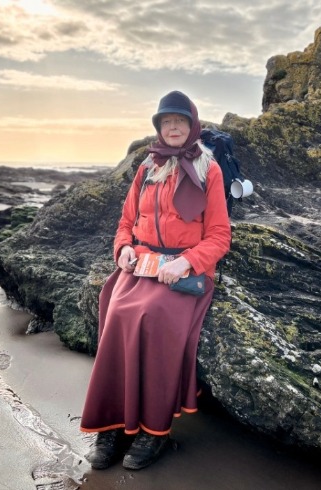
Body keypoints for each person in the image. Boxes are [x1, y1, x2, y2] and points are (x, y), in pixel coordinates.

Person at [79, 91, 231, 470]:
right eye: (167, 122)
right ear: (159, 128)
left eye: (180, 120)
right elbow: (125, 223)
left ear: (192, 124)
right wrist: (123, 250)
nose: (174, 127)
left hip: (183, 273)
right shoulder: (147, 167)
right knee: (116, 313)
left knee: (154, 314)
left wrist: (187, 263)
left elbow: (219, 235)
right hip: (142, 264)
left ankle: (154, 432)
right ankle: (114, 426)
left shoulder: (208, 169)